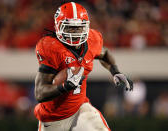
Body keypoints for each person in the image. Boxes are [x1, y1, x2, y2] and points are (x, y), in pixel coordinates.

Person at [34, 2, 133, 131]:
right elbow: (40, 93)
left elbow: (104, 54)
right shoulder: (51, 47)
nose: (75, 32)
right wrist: (65, 87)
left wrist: (115, 71)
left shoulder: (92, 40)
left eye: (79, 27)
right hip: (53, 118)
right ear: (58, 27)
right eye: (70, 28)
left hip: (79, 109)